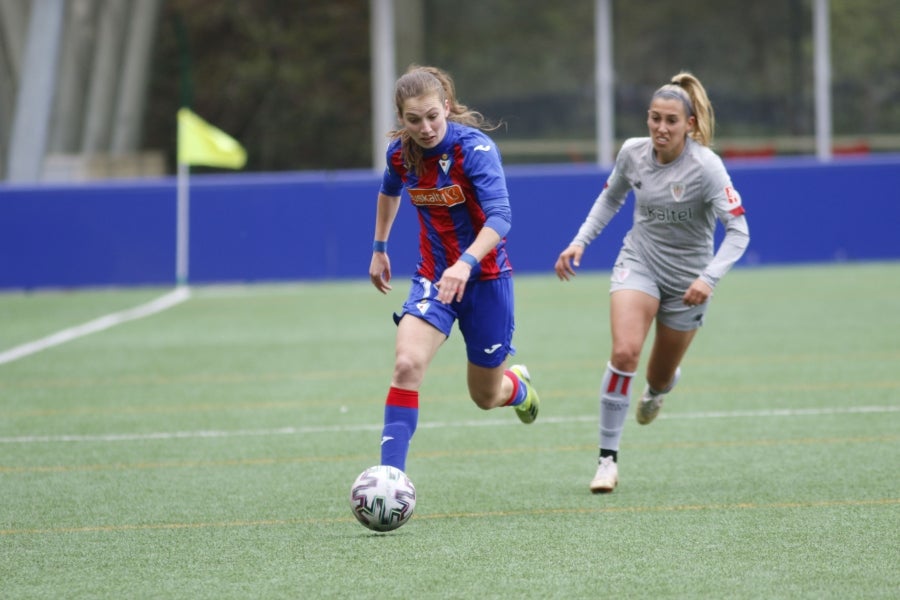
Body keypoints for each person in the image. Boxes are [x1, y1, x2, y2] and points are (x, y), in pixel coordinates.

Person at [554, 71, 750, 494]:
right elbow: (611, 197)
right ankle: (607, 460)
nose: (661, 128)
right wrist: (579, 242)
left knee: (658, 376)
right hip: (638, 263)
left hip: (688, 283)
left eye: (671, 121)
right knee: (624, 352)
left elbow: (739, 232)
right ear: (647, 118)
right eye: (655, 118)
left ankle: (660, 388)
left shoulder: (707, 168)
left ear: (690, 125)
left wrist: (708, 279)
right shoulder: (632, 153)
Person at [369, 65, 540, 475]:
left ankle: (517, 389)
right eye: (413, 120)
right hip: (433, 278)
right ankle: (390, 480)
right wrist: (379, 247)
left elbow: (500, 217)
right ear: (401, 119)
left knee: (484, 397)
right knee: (407, 365)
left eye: (432, 116)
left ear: (446, 107)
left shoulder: (474, 150)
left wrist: (465, 264)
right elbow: (389, 192)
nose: (425, 128)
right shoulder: (400, 153)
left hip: (486, 280)